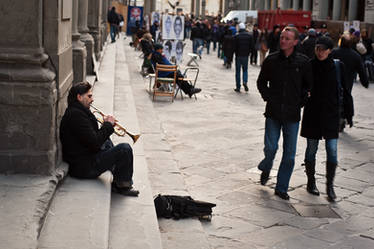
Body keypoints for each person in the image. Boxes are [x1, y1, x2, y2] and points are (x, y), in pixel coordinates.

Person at [257, 26, 313, 200]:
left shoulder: (303, 62)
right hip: (273, 112)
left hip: (292, 115)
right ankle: (266, 166)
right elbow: (261, 82)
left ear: (295, 42)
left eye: (287, 38)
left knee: (289, 154)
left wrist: (300, 102)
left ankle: (282, 187)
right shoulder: (271, 60)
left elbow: (308, 86)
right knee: (271, 147)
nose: (283, 41)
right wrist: (268, 97)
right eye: (282, 37)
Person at [60, 82, 139, 196]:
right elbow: (95, 143)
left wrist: (106, 126)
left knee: (107, 141)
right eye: (89, 96)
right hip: (84, 167)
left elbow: (92, 137)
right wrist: (107, 125)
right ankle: (121, 185)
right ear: (79, 97)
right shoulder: (76, 116)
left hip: (86, 157)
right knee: (124, 149)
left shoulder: (78, 111)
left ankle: (117, 170)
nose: (92, 100)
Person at [301, 36, 353, 201]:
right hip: (312, 114)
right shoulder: (309, 65)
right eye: (318, 48)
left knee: (332, 150)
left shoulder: (338, 67)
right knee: (311, 149)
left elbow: (345, 91)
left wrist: (348, 114)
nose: (320, 52)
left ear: (330, 50)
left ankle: (330, 186)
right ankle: (311, 181)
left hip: (331, 115)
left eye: (323, 49)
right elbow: (302, 87)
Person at [331, 33, 369, 131]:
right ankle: (343, 117)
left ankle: (336, 118)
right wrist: (365, 82)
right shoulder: (355, 55)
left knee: (333, 99)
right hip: (347, 82)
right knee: (346, 99)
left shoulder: (334, 52)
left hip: (334, 81)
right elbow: (361, 70)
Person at [232, 22, 254, 92]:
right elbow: (252, 46)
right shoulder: (249, 36)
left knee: (238, 71)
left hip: (238, 55)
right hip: (245, 55)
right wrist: (249, 53)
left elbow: (234, 47)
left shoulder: (237, 36)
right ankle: (245, 81)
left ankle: (238, 86)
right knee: (245, 70)